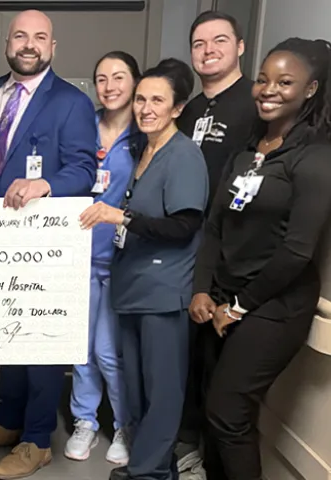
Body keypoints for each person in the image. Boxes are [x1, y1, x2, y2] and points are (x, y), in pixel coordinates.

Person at [0, 10, 97, 480]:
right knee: (6, 333)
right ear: (7, 44)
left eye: (40, 37)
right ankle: (7, 421)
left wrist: (46, 186)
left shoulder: (72, 103)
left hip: (43, 245)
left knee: (39, 341)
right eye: (21, 36)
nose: (29, 44)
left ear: (53, 47)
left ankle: (36, 440)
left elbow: (83, 170)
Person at [192, 37, 331, 480]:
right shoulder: (250, 150)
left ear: (309, 90)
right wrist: (203, 288)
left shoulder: (315, 157)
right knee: (214, 409)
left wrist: (239, 307)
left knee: (227, 413)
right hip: (222, 298)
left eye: (285, 82)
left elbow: (297, 250)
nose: (269, 90)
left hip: (272, 307)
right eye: (264, 79)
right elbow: (216, 225)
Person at [80, 58, 208, 480]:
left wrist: (123, 218)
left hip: (162, 293)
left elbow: (184, 225)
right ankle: (154, 467)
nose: (146, 108)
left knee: (162, 391)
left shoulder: (183, 155)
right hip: (132, 289)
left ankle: (147, 472)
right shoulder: (143, 151)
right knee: (136, 388)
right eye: (141, 100)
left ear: (177, 108)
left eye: (158, 100)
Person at [175, 13, 260, 474]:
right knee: (190, 357)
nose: (208, 49)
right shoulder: (187, 111)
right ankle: (189, 451)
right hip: (189, 250)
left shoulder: (255, 104)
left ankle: (213, 461)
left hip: (233, 257)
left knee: (221, 374)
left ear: (241, 47)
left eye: (219, 40)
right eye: (199, 42)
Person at [65, 51, 142, 466]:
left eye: (118, 77)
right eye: (101, 78)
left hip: (120, 260)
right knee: (80, 347)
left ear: (135, 82)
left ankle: (124, 424)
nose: (109, 86)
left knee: (110, 351)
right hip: (77, 255)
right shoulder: (84, 127)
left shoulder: (144, 134)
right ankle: (85, 421)